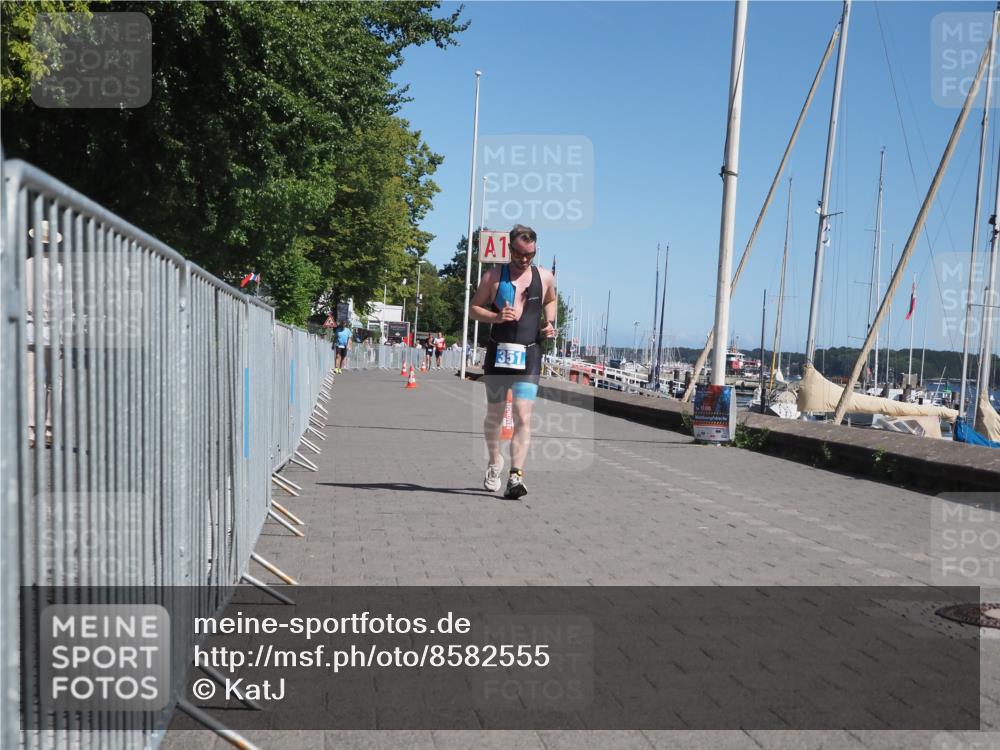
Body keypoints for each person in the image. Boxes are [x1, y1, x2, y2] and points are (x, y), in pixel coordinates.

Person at [469, 224, 556, 499]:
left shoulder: (545, 277)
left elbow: (551, 300)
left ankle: (515, 476)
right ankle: (495, 462)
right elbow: (473, 308)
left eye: (530, 254)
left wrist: (549, 323)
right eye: (519, 254)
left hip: (529, 355)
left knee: (522, 415)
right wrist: (495, 317)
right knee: (494, 417)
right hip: (498, 354)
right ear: (510, 250)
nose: (524, 260)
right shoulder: (494, 276)